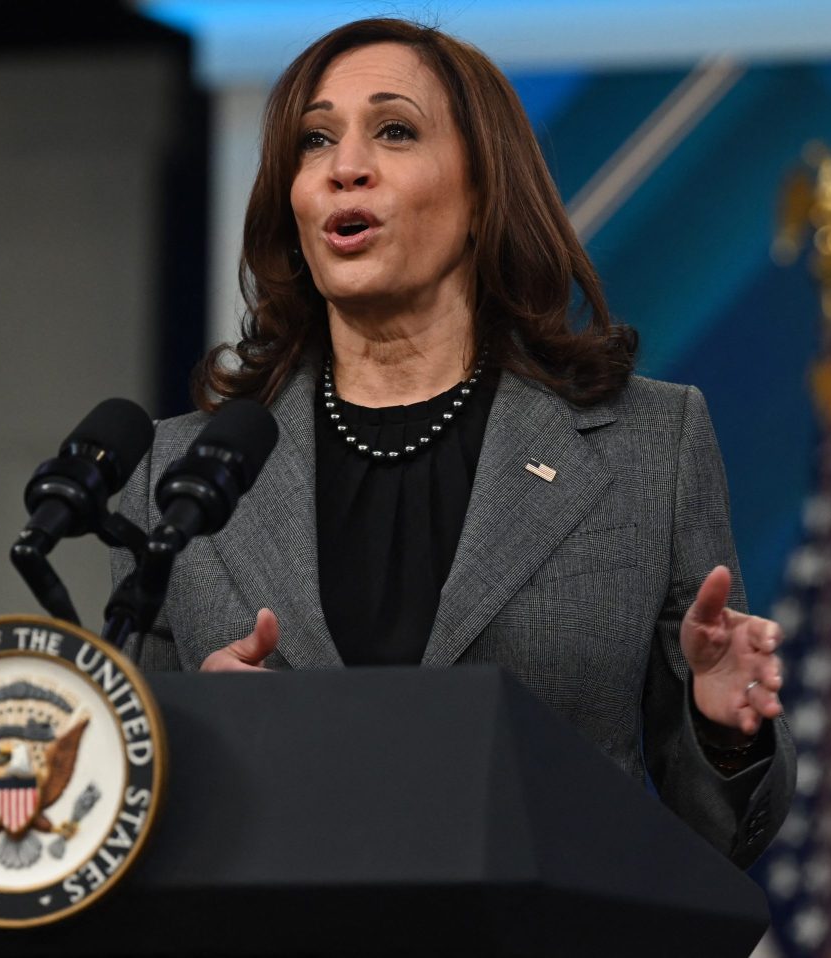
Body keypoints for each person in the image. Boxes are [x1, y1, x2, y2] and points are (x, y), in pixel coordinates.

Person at [112, 17, 793, 868]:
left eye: (395, 131)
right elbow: (117, 820)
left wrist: (720, 727)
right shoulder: (182, 477)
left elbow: (721, 832)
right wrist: (195, 746)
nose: (345, 166)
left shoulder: (647, 446)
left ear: (482, 191)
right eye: (315, 141)